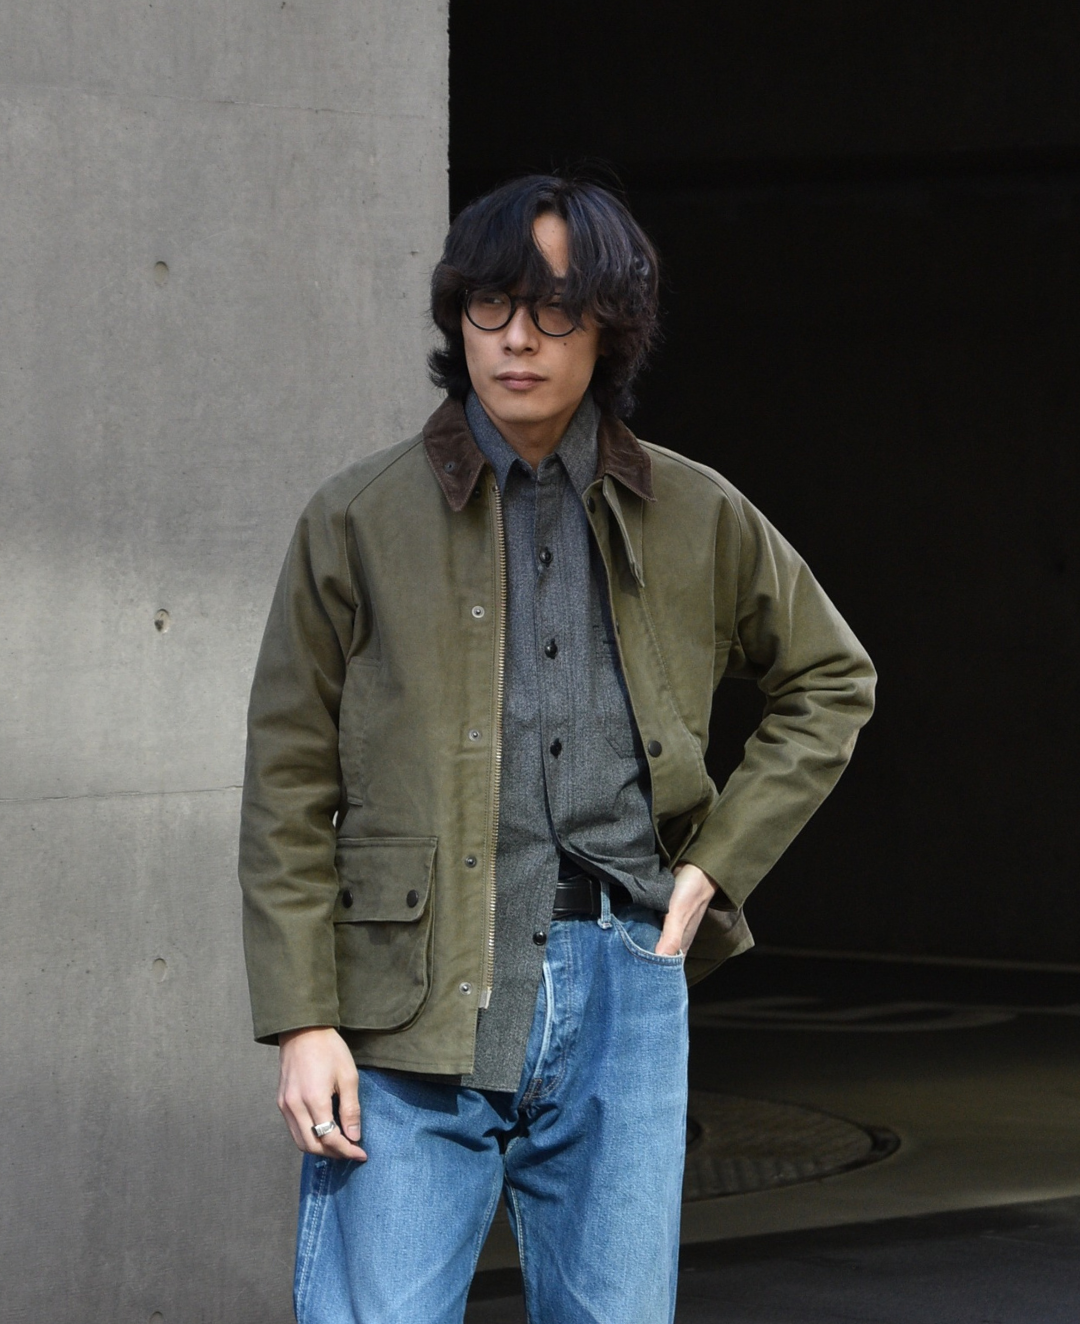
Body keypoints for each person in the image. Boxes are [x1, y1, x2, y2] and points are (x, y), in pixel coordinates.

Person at [238, 174, 876, 1324]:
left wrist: (717, 862)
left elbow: (832, 679)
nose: (518, 337)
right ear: (458, 316)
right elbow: (288, 780)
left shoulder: (695, 511)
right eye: (492, 303)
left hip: (623, 987)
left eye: (555, 307)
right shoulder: (357, 519)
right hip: (406, 1004)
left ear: (610, 328)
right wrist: (303, 1017)